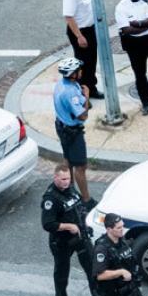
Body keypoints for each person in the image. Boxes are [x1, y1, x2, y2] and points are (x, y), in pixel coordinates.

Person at [41, 164, 98, 296]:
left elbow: (79, 205)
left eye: (68, 178)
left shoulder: (70, 188)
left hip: (79, 237)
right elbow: (48, 224)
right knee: (62, 271)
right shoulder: (51, 198)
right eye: (63, 179)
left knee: (92, 267)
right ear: (55, 178)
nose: (67, 182)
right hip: (61, 242)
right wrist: (68, 226)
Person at [53, 57, 97, 209]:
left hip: (62, 126)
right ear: (73, 73)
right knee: (80, 166)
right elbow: (83, 115)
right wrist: (86, 96)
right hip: (73, 132)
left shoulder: (62, 84)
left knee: (68, 159)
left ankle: (68, 190)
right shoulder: (70, 92)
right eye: (79, 70)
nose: (81, 71)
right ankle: (86, 200)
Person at [63, 0, 104, 100]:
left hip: (90, 28)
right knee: (83, 64)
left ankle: (91, 88)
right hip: (80, 31)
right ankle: (82, 93)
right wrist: (79, 36)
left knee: (91, 61)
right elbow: (69, 17)